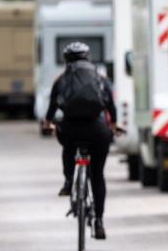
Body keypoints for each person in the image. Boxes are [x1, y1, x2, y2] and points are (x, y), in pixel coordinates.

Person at [42, 42, 120, 240]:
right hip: (98, 130)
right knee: (98, 175)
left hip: (71, 128)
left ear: (66, 59)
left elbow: (51, 108)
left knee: (68, 146)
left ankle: (69, 181)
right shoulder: (100, 77)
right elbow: (111, 106)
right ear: (88, 57)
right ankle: (100, 221)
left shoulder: (61, 79)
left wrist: (49, 124)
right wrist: (113, 125)